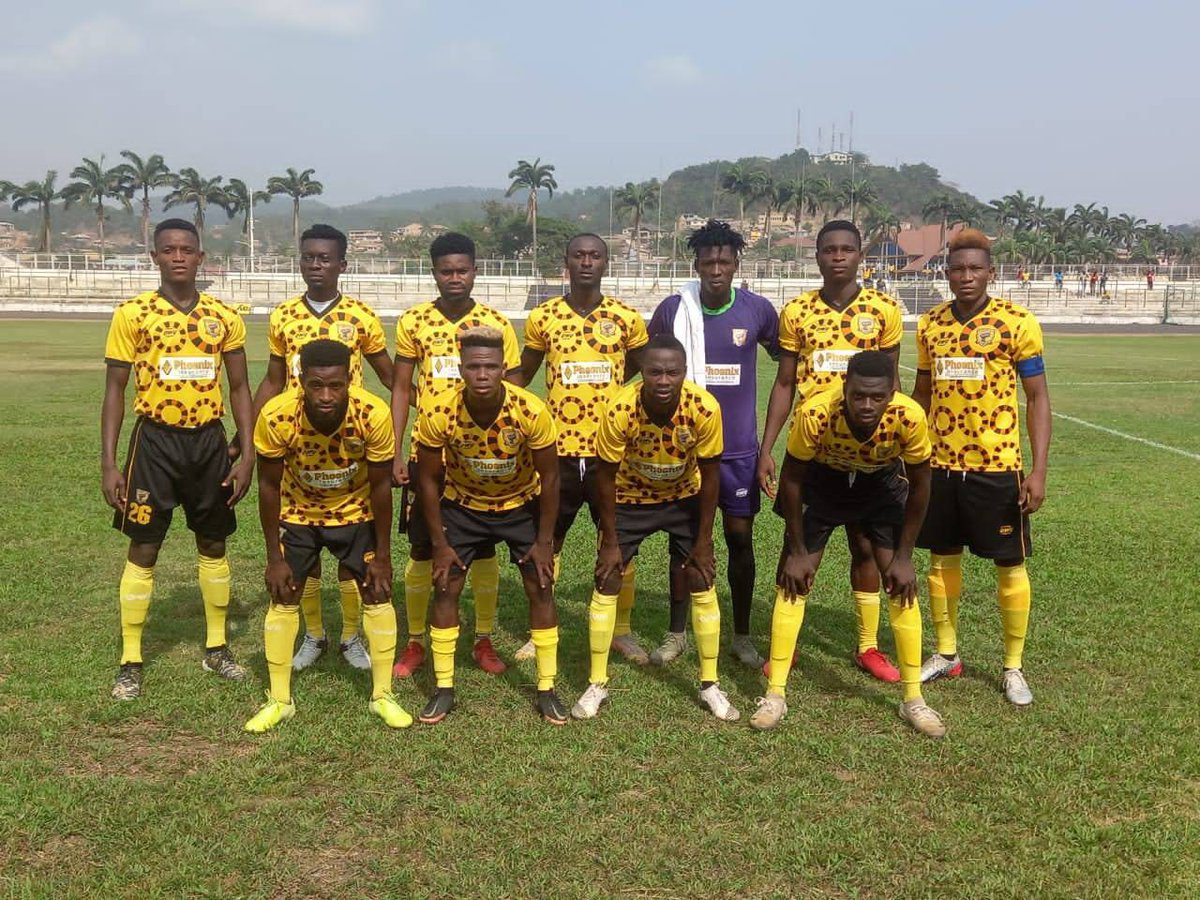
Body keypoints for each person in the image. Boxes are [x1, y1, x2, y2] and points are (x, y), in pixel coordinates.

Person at [750, 351, 944, 738]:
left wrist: (905, 556)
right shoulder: (816, 413)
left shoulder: (909, 416)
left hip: (880, 483)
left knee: (900, 583)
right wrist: (798, 550)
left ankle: (914, 699)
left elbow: (922, 486)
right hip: (824, 480)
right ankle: (775, 694)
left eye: (877, 397)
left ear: (892, 393)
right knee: (794, 578)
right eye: (858, 396)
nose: (867, 405)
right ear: (845, 388)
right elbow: (792, 480)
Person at [101, 219, 255, 700]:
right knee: (144, 546)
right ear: (155, 257)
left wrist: (247, 452)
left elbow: (239, 387)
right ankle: (131, 660)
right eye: (168, 250)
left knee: (213, 542)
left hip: (209, 444)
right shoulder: (133, 314)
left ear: (201, 257)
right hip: (154, 444)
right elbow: (114, 391)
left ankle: (217, 648)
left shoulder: (222, 316)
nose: (178, 257)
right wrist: (109, 463)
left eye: (187, 249)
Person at [757, 220, 905, 684]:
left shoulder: (883, 309)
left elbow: (894, 383)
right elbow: (785, 383)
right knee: (796, 549)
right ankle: (786, 647)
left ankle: (868, 646)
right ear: (817, 256)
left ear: (860, 255)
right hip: (813, 456)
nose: (838, 256)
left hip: (870, 454)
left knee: (866, 548)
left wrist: (897, 445)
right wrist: (767, 448)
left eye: (846, 249)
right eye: (829, 249)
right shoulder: (797, 311)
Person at [912, 228, 1051, 707]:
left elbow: (1037, 398)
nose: (966, 276)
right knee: (941, 558)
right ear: (946, 273)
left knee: (1009, 562)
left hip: (997, 464)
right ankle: (946, 652)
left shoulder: (1017, 323)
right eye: (957, 269)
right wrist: (910, 452)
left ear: (991, 272)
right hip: (940, 462)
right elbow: (922, 394)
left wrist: (1038, 470)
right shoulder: (930, 325)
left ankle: (1013, 666)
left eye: (975, 268)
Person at [572, 334, 739, 723]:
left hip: (683, 497)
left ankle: (710, 685)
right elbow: (604, 476)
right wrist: (609, 540)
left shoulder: (704, 407)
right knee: (608, 577)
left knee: (701, 577)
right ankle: (597, 683)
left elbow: (711, 476)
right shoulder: (620, 408)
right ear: (642, 372)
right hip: (630, 497)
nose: (664, 380)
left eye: (672, 372)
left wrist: (704, 541)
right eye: (655, 372)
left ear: (684, 372)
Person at [247, 339, 410, 732]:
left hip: (355, 511)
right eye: (316, 385)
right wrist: (274, 558)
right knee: (284, 594)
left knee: (377, 592)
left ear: (349, 380)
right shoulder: (276, 415)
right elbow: (267, 487)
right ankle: (279, 700)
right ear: (301, 380)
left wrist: (383, 555)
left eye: (335, 386)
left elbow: (380, 488)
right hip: (298, 512)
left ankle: (383, 695)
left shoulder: (372, 413)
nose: (325, 396)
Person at [251, 224, 393, 673]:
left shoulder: (361, 316)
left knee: (352, 554)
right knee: (304, 551)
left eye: (325, 258)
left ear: (342, 265)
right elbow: (274, 380)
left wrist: (417, 416)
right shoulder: (283, 316)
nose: (316, 265)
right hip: (297, 441)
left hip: (349, 443)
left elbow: (389, 375)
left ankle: (351, 636)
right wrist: (246, 434)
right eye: (309, 257)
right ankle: (314, 635)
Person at [413, 327, 566, 725]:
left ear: (503, 368)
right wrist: (440, 543)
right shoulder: (439, 411)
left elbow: (551, 477)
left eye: (491, 367)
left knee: (541, 585)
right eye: (474, 367)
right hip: (463, 506)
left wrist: (545, 541)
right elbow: (427, 480)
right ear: (460, 368)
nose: (482, 375)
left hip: (519, 504)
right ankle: (443, 688)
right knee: (445, 586)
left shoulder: (530, 410)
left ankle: (547, 688)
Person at [647, 219, 779, 669]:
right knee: (681, 542)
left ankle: (741, 636)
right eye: (708, 262)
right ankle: (676, 633)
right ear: (696, 265)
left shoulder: (757, 310)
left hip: (738, 451)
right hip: (684, 450)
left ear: (736, 263)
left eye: (724, 261)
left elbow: (787, 362)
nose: (716, 269)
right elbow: (651, 367)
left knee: (740, 540)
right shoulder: (673, 310)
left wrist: (766, 449)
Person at [391, 233, 521, 678]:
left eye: (462, 270)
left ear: (475, 271)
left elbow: (514, 392)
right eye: (446, 271)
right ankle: (415, 642)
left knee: (482, 552)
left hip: (480, 460)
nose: (455, 278)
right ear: (434, 273)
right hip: (428, 454)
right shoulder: (414, 321)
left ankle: (482, 638)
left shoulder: (495, 324)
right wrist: (395, 450)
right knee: (422, 551)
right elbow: (401, 388)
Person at [514, 233, 648, 662]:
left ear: (606, 263)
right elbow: (525, 373)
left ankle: (621, 631)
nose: (587, 262)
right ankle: (541, 629)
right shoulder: (544, 316)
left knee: (618, 539)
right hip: (558, 450)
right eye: (579, 255)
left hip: (612, 450)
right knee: (548, 539)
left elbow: (640, 365)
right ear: (566, 261)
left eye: (595, 256)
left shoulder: (626, 318)